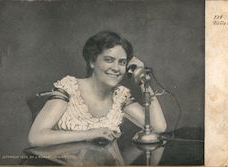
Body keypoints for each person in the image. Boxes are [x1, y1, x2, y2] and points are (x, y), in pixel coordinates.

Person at [28, 31, 167, 147]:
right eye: (108, 60)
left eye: (122, 62)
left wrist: (142, 79)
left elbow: (158, 127)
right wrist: (89, 134)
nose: (116, 68)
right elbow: (36, 137)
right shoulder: (69, 88)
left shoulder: (120, 95)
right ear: (92, 62)